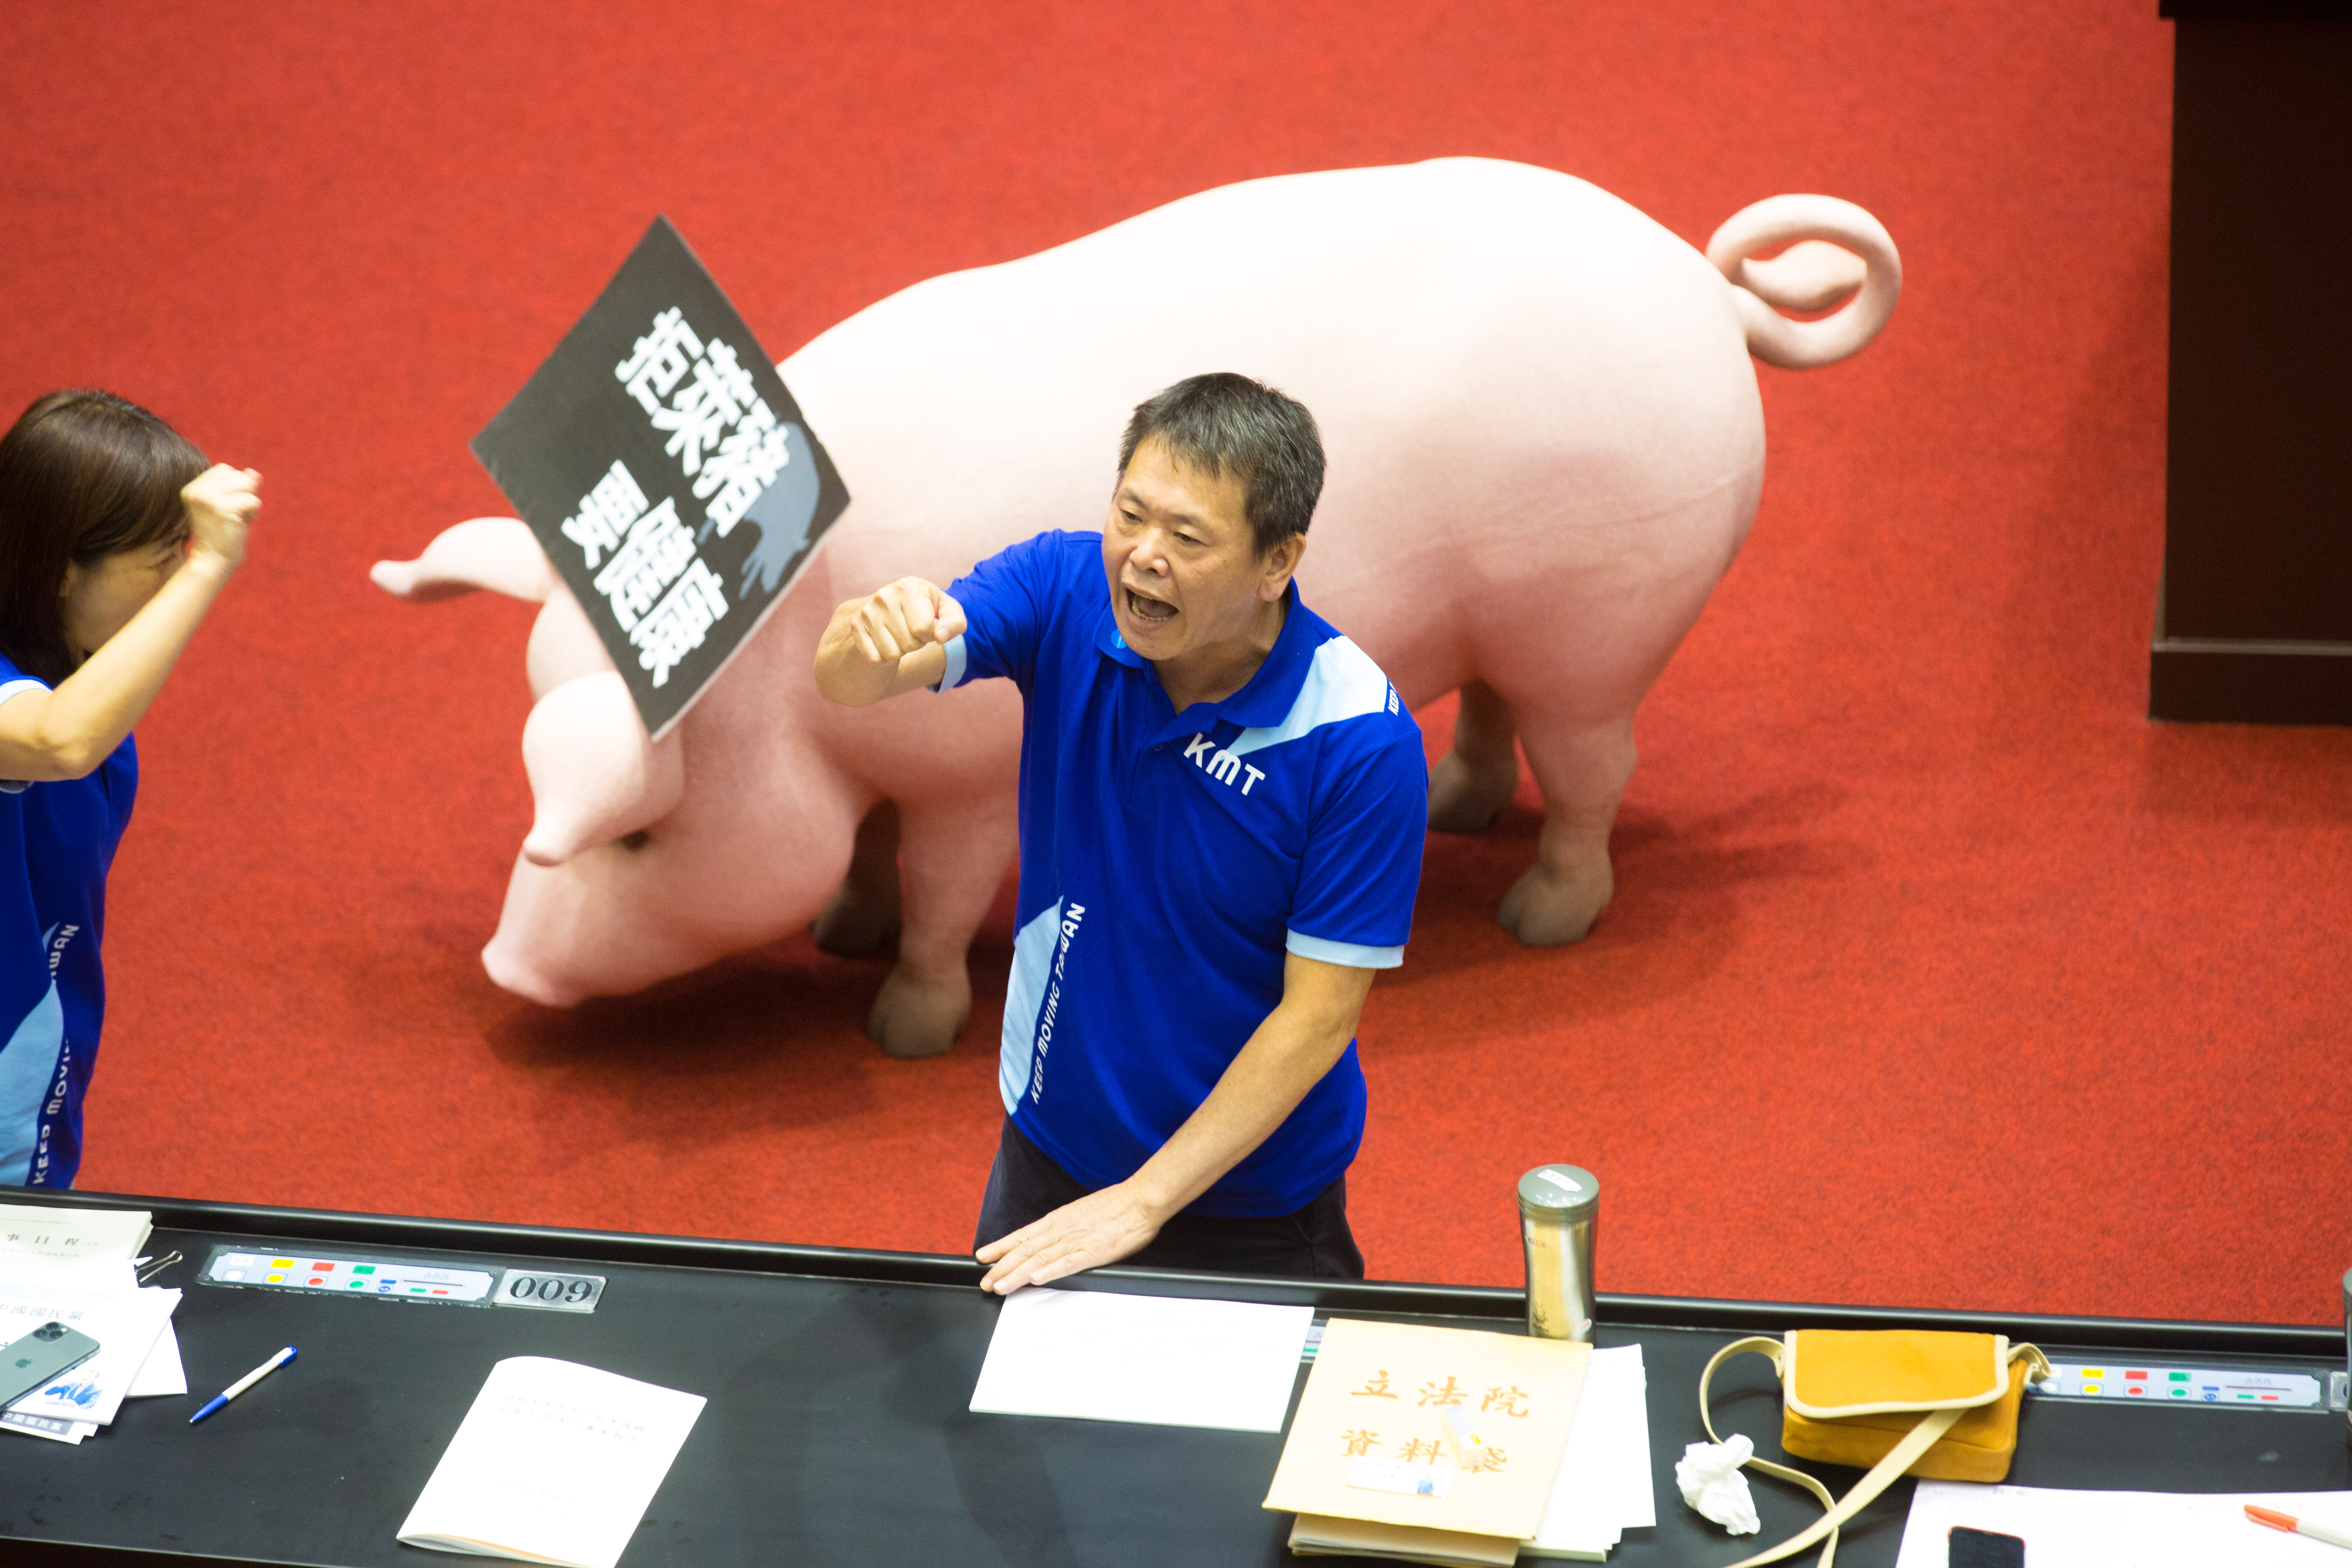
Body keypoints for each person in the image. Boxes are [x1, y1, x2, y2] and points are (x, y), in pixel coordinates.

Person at [814, 372, 1426, 1290]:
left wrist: (1145, 1199)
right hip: (1050, 1154)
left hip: (1252, 1207)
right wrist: (864, 641)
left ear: (1277, 562)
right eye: (1131, 514)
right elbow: (850, 682)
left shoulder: (1359, 741)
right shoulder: (1064, 588)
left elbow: (1319, 1017)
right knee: (1014, 1434)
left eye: (1188, 537)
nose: (1143, 556)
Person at [0, 390, 262, 1187]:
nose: (170, 593)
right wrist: (211, 566)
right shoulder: (48, 710)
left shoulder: (75, 665)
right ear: (59, 569)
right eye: (160, 563)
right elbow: (57, 741)